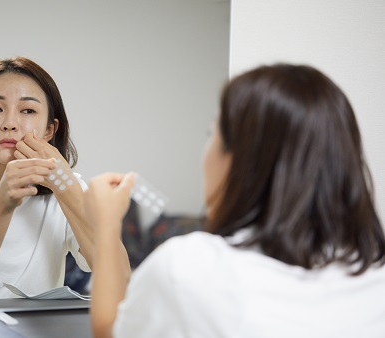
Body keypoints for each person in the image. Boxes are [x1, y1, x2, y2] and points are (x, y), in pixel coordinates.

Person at [85, 64, 385, 337]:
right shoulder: (373, 273)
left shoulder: (189, 268)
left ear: (239, 158)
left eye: (210, 134)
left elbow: (110, 331)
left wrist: (107, 225)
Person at [0, 56, 99, 301]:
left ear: (48, 130)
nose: (10, 124)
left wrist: (64, 183)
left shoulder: (69, 188)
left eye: (27, 110)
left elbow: (118, 275)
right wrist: (2, 201)